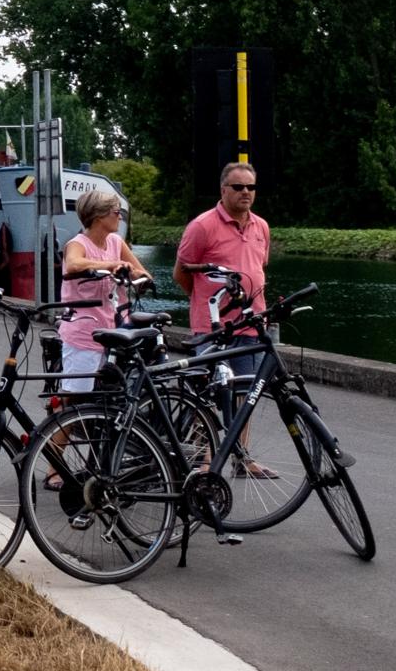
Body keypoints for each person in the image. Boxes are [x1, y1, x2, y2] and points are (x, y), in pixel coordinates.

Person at [173, 161, 278, 480]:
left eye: (251, 187)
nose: (246, 192)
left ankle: (241, 458)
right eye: (238, 187)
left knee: (247, 394)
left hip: (250, 324)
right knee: (207, 395)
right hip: (213, 329)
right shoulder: (202, 226)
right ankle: (204, 463)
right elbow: (182, 273)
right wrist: (205, 303)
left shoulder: (261, 226)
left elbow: (260, 267)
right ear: (223, 190)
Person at [58, 187, 149, 395]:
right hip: (84, 333)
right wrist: (111, 265)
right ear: (99, 216)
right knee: (74, 401)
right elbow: (73, 264)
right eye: (117, 213)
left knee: (112, 398)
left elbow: (142, 273)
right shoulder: (77, 244)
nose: (120, 218)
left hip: (116, 332)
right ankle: (55, 427)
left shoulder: (116, 242)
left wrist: (132, 273)